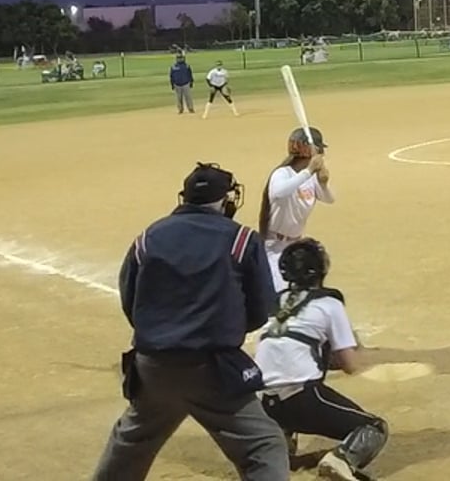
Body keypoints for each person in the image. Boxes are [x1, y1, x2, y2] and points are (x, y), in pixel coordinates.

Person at [89, 163, 288, 481]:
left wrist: (161, 333)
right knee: (264, 446)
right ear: (227, 200)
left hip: (154, 368)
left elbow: (131, 301)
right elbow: (261, 308)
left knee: (131, 443)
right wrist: (227, 328)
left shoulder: (149, 237)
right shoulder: (241, 239)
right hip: (212, 370)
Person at [256, 240, 388, 481]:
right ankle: (341, 460)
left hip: (262, 403)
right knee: (374, 428)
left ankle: (280, 448)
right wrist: (364, 358)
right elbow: (350, 365)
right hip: (300, 398)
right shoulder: (329, 303)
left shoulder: (275, 302)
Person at [260, 128, 334, 292]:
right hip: (274, 245)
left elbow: (329, 199)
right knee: (280, 292)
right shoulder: (282, 173)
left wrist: (323, 183)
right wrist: (308, 171)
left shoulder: (311, 178)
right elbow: (279, 192)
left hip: (294, 246)